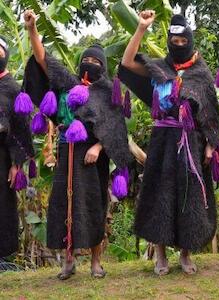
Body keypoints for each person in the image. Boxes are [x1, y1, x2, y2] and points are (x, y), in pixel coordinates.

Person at [23, 10, 134, 279]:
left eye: (96, 61)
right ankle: (68, 262)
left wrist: (98, 148)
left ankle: (96, 262)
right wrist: (32, 29)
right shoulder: (67, 82)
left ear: (104, 66)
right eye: (86, 60)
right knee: (64, 205)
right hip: (66, 150)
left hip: (94, 157)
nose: (91, 64)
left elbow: (116, 130)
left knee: (95, 206)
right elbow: (43, 59)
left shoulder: (109, 92)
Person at [119, 11, 219, 275]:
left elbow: (210, 113)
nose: (179, 45)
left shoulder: (201, 73)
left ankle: (186, 254)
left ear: (190, 40)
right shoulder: (159, 68)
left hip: (193, 143)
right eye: (174, 42)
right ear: (168, 42)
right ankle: (161, 255)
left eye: (182, 41)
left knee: (190, 198)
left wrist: (211, 145)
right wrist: (141, 28)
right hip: (163, 141)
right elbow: (127, 61)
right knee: (160, 195)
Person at [0, 35, 34, 259]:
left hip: (1, 158)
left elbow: (22, 129)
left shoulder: (13, 89)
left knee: (1, 208)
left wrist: (17, 164)